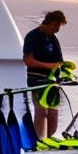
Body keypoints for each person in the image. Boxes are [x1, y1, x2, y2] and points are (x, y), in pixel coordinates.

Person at [21, 10, 68, 139]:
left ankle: (49, 138)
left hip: (52, 81)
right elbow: (28, 61)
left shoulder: (53, 38)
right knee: (41, 111)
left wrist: (64, 70)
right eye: (56, 26)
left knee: (53, 113)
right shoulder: (33, 36)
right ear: (49, 23)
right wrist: (49, 66)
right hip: (37, 79)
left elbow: (59, 61)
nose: (57, 30)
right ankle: (39, 140)